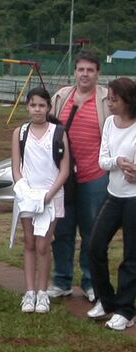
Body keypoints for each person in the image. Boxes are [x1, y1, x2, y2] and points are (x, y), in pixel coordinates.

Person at [48, 51, 110, 302]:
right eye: (81, 69)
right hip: (63, 176)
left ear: (98, 73)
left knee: (91, 231)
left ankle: (90, 281)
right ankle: (62, 280)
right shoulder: (62, 96)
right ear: (75, 71)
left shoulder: (107, 99)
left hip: (95, 175)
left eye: (90, 70)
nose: (85, 74)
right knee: (62, 230)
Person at [11, 87, 70, 313]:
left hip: (51, 198)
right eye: (33, 105)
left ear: (48, 107)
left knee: (43, 245)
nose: (37, 109)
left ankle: (43, 293)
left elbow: (64, 171)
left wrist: (48, 196)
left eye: (42, 105)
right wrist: (25, 192)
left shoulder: (58, 132)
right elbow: (16, 168)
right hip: (27, 197)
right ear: (27, 106)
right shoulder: (20, 132)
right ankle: (29, 292)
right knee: (29, 242)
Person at [87, 77, 136, 331]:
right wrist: (119, 161)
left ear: (128, 100)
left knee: (131, 255)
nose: (110, 103)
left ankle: (126, 310)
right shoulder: (109, 123)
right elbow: (103, 160)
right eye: (109, 98)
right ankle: (106, 301)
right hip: (113, 195)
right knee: (95, 246)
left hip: (134, 199)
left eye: (114, 99)